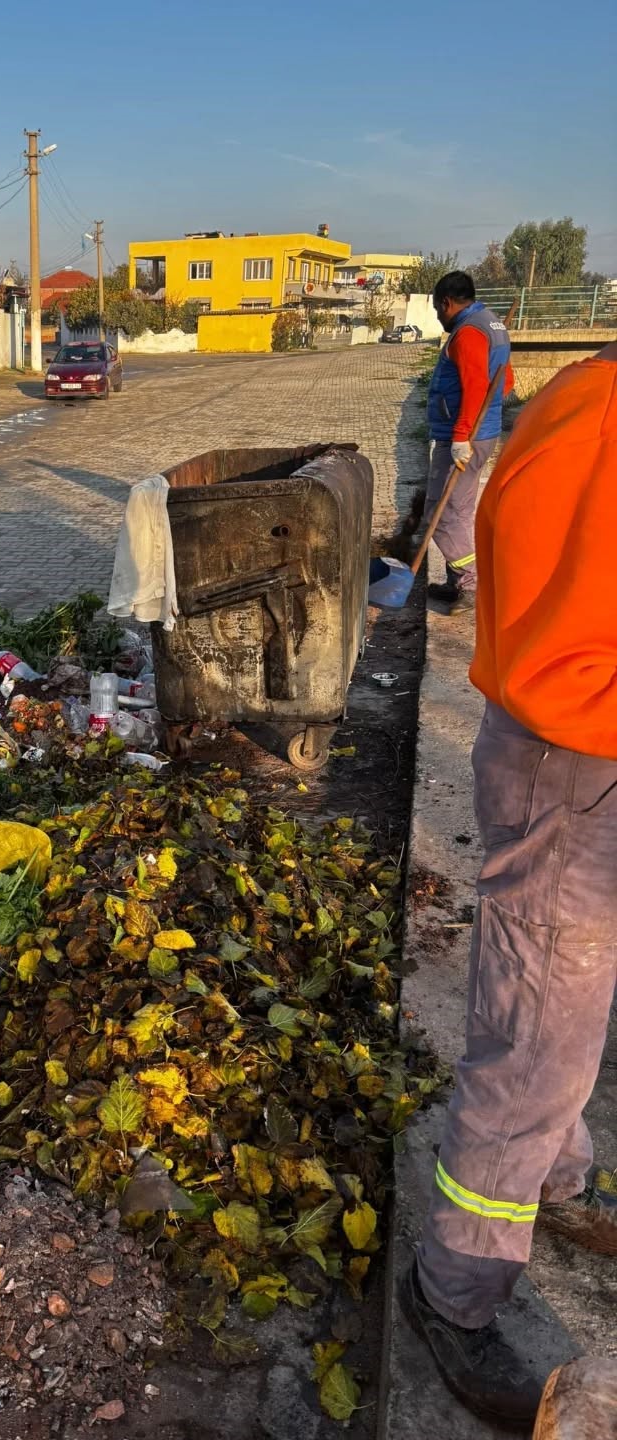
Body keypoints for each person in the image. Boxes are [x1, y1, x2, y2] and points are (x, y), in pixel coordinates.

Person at [400, 343, 617, 1430]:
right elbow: (556, 645)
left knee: (567, 1021)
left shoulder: (581, 396)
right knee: (534, 1038)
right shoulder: (593, 416)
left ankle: (559, 1178)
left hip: (579, 758)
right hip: (576, 762)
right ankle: (455, 1294)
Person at [424, 271, 514, 615]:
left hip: (463, 438)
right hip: (483, 433)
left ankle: (468, 583)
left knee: (440, 513)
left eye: (437, 310)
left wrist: (462, 436)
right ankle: (457, 582)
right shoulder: (491, 323)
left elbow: (477, 385)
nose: (438, 317)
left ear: (447, 303)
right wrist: (486, 419)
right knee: (458, 511)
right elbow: (506, 381)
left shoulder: (468, 333)